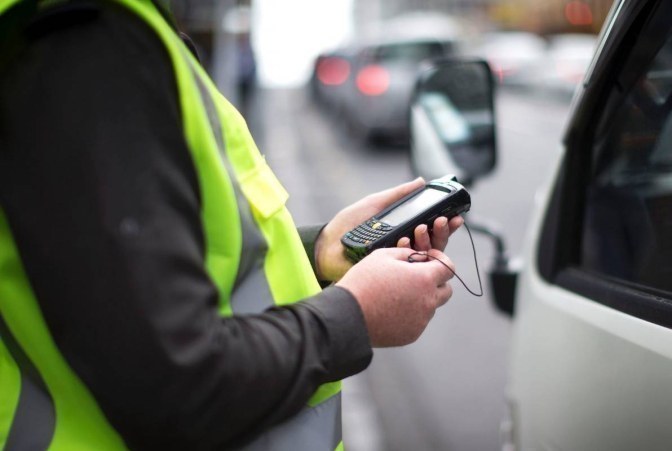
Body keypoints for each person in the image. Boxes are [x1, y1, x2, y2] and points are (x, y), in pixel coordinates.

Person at [0, 0, 462, 449]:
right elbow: (175, 388)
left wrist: (318, 250)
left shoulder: (113, 32)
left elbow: (154, 268)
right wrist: (355, 316)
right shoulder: (87, 45)